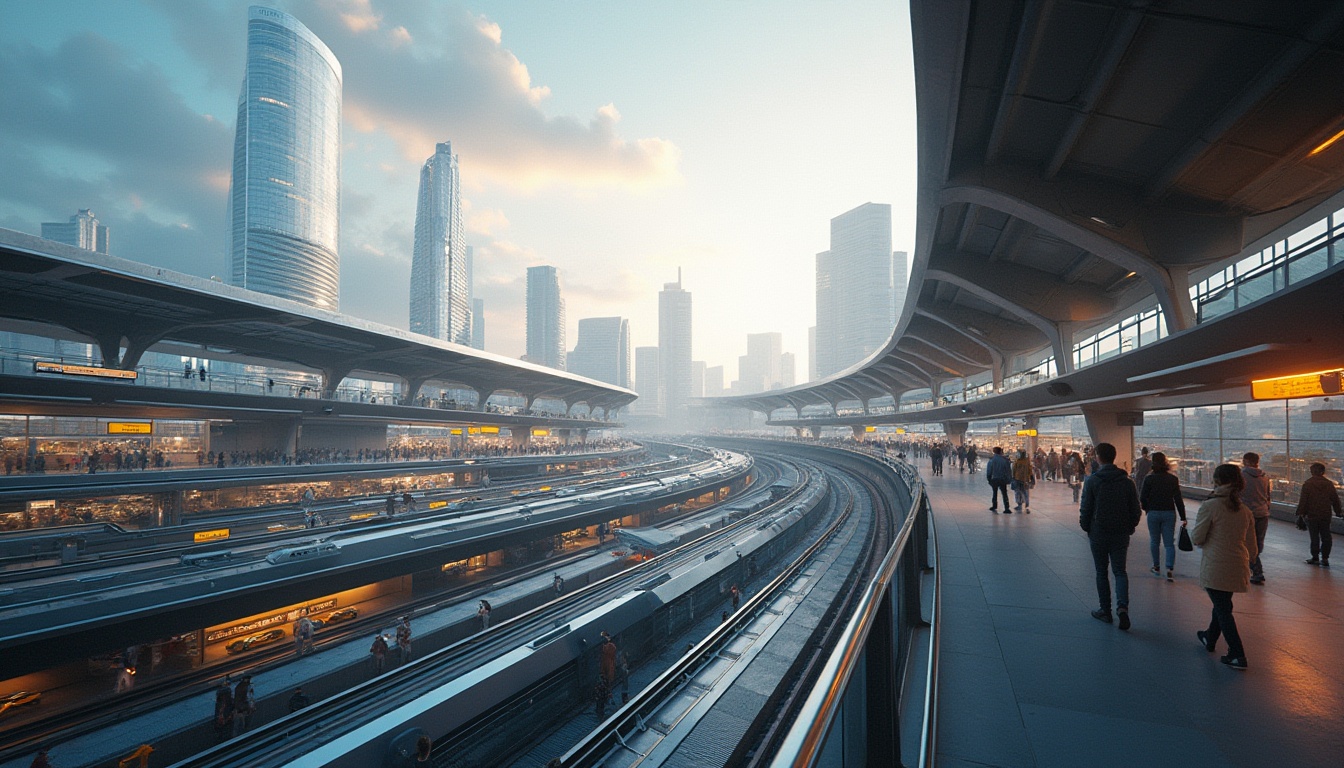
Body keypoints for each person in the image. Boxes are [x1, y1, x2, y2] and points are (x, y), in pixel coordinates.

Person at [1192, 463, 1258, 670]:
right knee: (1223, 605)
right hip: (1237, 565)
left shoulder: (1210, 506)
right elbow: (1253, 548)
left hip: (1216, 565)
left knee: (1223, 609)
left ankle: (1237, 654)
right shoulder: (1245, 510)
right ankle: (1209, 637)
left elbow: (1197, 537)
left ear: (1217, 480)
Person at [1079, 442, 1141, 630]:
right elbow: (1135, 510)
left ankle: (1105, 611)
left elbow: (1086, 508)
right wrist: (1129, 527)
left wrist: (1087, 527)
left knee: (1101, 571)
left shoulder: (1092, 481)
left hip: (1098, 532)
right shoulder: (1127, 481)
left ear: (1098, 457)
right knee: (1120, 571)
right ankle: (1122, 608)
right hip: (1121, 533)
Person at [1139, 451, 1186, 582]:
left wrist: (1147, 509)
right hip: (1169, 512)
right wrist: (1183, 517)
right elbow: (1178, 499)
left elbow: (1143, 497)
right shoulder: (1172, 479)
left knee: (1155, 541)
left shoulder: (1149, 479)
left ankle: (1156, 566)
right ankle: (1170, 569)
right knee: (1169, 543)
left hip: (1153, 512)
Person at [1296, 462, 1342, 566]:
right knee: (1326, 536)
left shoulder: (1308, 484)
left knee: (1314, 536)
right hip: (1325, 514)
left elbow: (1303, 501)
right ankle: (1325, 557)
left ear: (1312, 472)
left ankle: (1315, 557)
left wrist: (1300, 514)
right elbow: (1335, 499)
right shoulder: (1329, 484)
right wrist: (1338, 511)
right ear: (1323, 472)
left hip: (1311, 514)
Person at [1241, 453, 1272, 583]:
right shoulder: (1265, 477)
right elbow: (1268, 496)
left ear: (1246, 461)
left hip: (1247, 513)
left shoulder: (1241, 476)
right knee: (1258, 542)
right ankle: (1254, 566)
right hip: (1263, 513)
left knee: (1246, 541)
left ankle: (1256, 570)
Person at [985, 447, 1013, 513]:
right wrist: (1009, 478)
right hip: (1003, 479)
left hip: (994, 478)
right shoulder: (1005, 460)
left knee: (994, 492)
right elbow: (1008, 470)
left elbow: (989, 470)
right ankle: (1006, 508)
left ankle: (994, 505)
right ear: (1000, 452)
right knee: (1004, 493)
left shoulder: (992, 460)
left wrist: (989, 478)